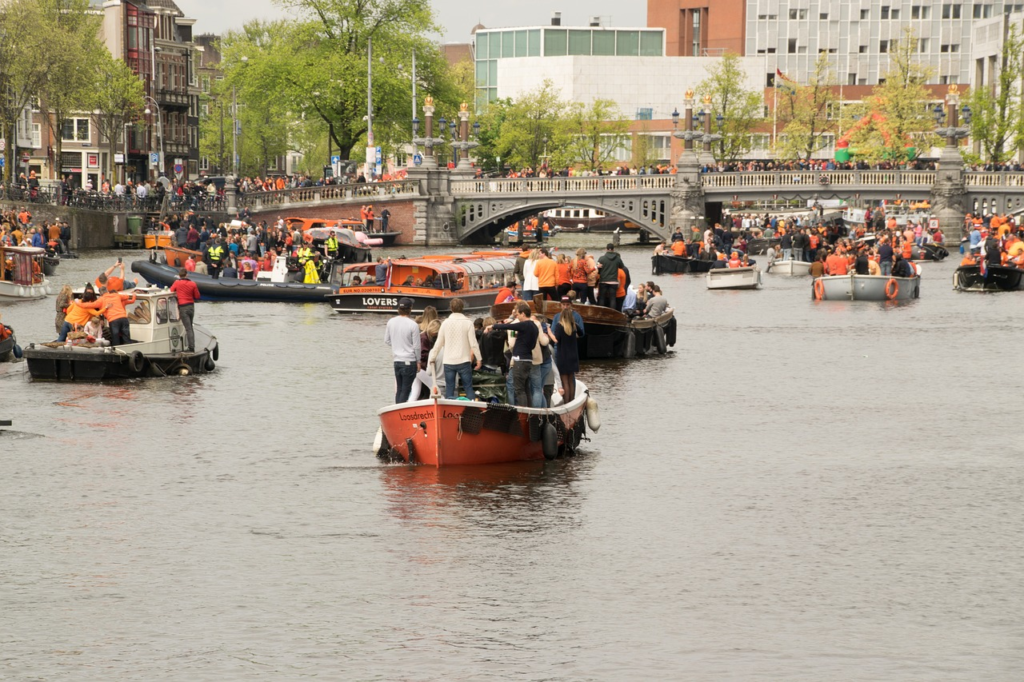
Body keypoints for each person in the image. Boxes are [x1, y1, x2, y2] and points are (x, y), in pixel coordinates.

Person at [487, 301, 541, 407]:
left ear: (523, 314)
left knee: (519, 390)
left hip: (520, 360)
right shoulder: (534, 326)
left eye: (518, 314)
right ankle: (529, 413)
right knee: (526, 389)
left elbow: (508, 327)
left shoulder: (524, 325)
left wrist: (492, 326)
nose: (518, 317)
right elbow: (533, 345)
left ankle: (522, 414)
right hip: (528, 360)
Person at [427, 298, 481, 400]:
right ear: (462, 308)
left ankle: (448, 411)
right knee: (468, 388)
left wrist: (432, 357)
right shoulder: (468, 323)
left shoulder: (445, 323)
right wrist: (479, 359)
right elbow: (473, 343)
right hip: (464, 360)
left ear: (451, 308)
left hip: (449, 362)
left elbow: (439, 343)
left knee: (450, 388)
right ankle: (473, 408)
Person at [384, 297, 421, 403]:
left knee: (399, 389)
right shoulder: (413, 324)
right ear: (410, 309)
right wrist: (418, 361)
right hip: (409, 361)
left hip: (397, 361)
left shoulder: (391, 322)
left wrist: (397, 345)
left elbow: (386, 340)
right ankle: (401, 411)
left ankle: (397, 409)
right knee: (406, 389)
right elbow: (417, 346)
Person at [547, 297, 580, 403]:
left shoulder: (559, 326)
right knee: (571, 380)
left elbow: (556, 340)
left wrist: (549, 332)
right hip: (573, 355)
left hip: (563, 356)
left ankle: (566, 403)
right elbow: (582, 333)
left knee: (564, 380)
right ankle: (571, 401)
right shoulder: (574, 326)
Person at [169, 268, 201, 352]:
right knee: (190, 327)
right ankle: (192, 345)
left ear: (179, 275)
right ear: (187, 275)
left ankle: (191, 348)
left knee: (188, 328)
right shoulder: (193, 284)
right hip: (191, 306)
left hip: (183, 307)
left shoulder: (177, 282)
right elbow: (197, 296)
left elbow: (171, 290)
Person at [597, 243, 625, 308]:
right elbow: (622, 267)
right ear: (613, 249)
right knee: (613, 299)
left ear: (606, 249)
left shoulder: (601, 258)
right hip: (614, 281)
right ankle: (612, 313)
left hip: (603, 281)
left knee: (602, 298)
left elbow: (598, 270)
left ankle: (601, 312)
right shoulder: (618, 258)